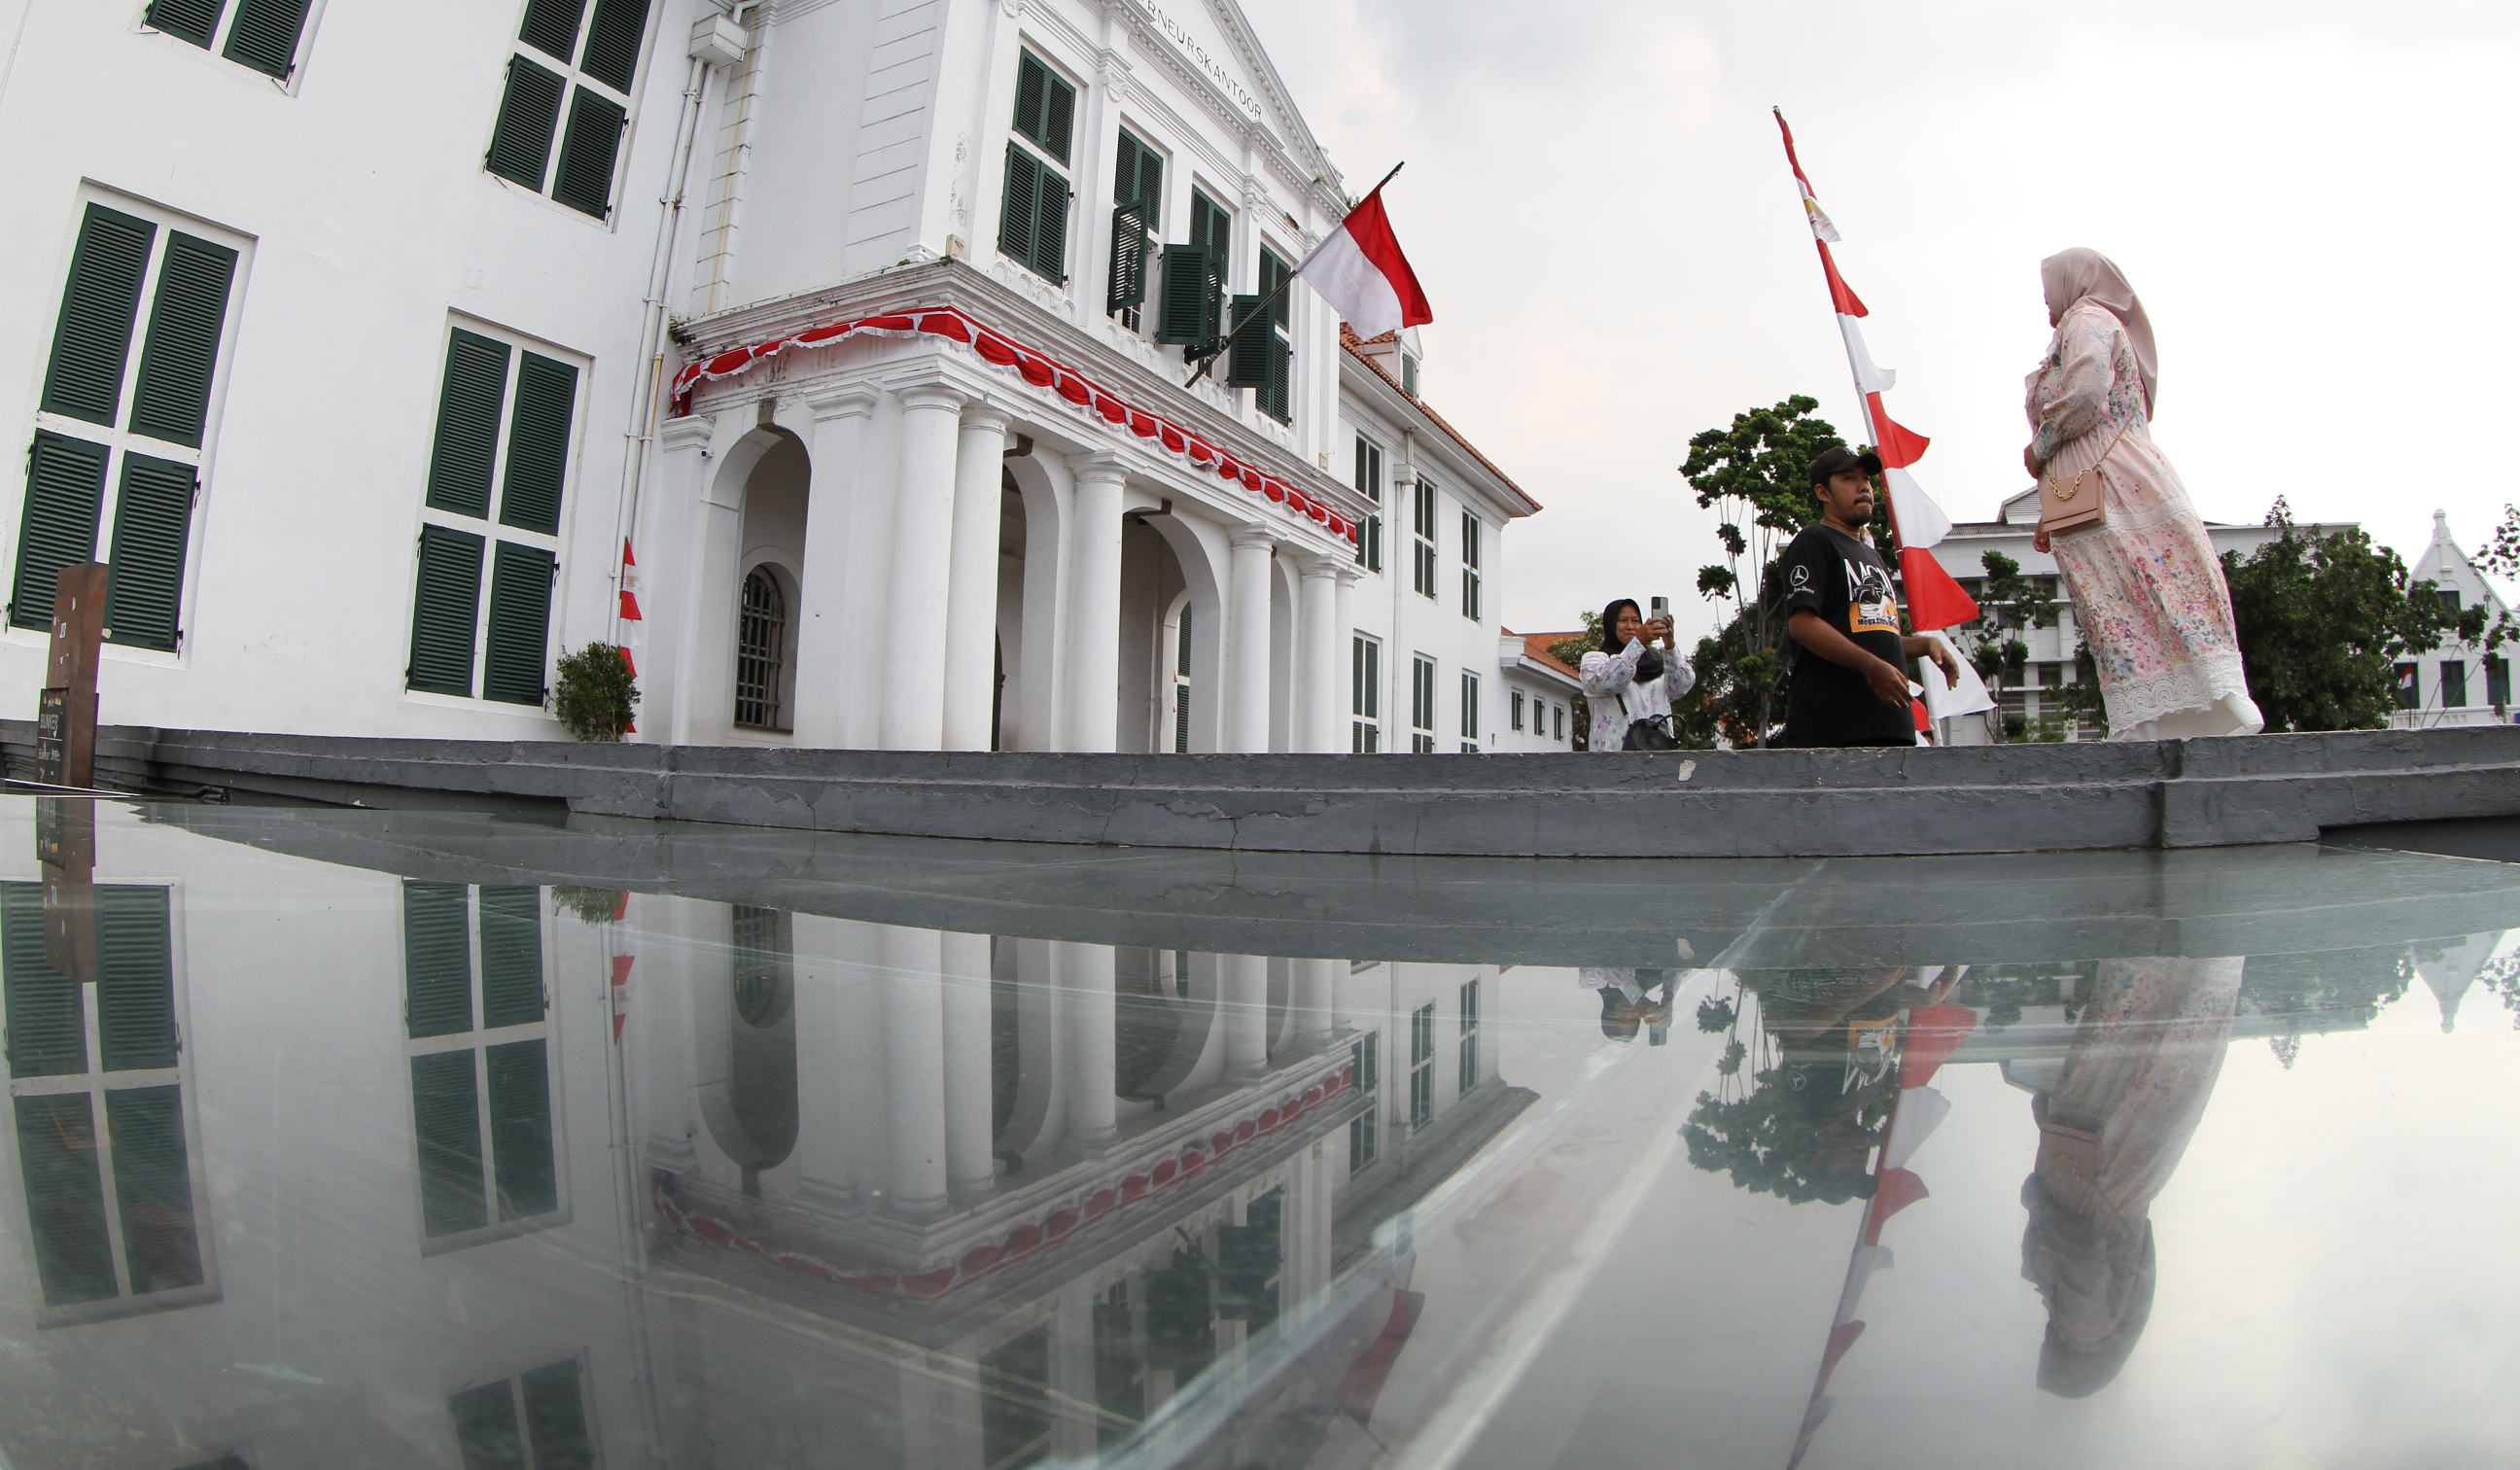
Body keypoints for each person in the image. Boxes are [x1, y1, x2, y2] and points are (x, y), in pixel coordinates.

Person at [2024, 249, 2263, 740]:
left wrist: (2040, 446)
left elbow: (2088, 392)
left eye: (2048, 286)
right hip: (2101, 485)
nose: (2044, 298)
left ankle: (2166, 724)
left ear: (2074, 282)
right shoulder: (2080, 326)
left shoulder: (2085, 318)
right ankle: (2158, 723)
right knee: (2123, 605)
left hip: (2114, 484)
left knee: (2138, 595)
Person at [1777, 446, 1961, 748]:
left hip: (1891, 725)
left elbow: (1875, 635)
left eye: (1866, 479)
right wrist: (1872, 667)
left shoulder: (1871, 554)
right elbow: (1803, 625)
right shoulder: (1815, 540)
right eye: (1849, 478)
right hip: (1833, 728)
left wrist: (1927, 644)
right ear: (1823, 492)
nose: (1863, 486)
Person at [1580, 598, 1697, 751]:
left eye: (1636, 621)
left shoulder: (1660, 663)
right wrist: (1638, 643)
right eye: (1622, 620)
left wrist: (1670, 645)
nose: (1630, 626)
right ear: (1610, 624)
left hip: (1658, 757)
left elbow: (1681, 687)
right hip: (1613, 760)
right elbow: (1609, 682)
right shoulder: (1595, 660)